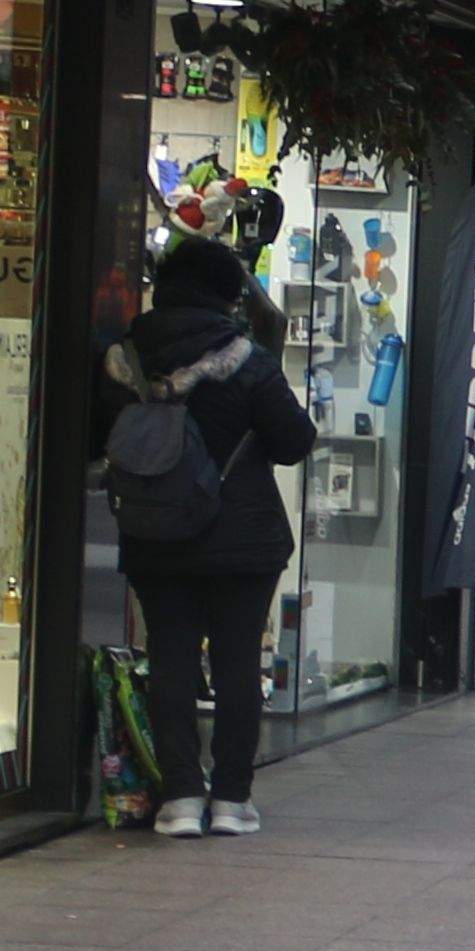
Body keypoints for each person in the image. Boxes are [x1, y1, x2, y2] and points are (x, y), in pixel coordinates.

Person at [102, 232, 317, 840]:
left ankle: (179, 800)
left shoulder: (127, 357)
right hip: (242, 540)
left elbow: (103, 438)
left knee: (169, 659)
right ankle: (231, 799)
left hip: (154, 533)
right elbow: (294, 442)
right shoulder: (246, 358)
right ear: (228, 295)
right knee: (235, 664)